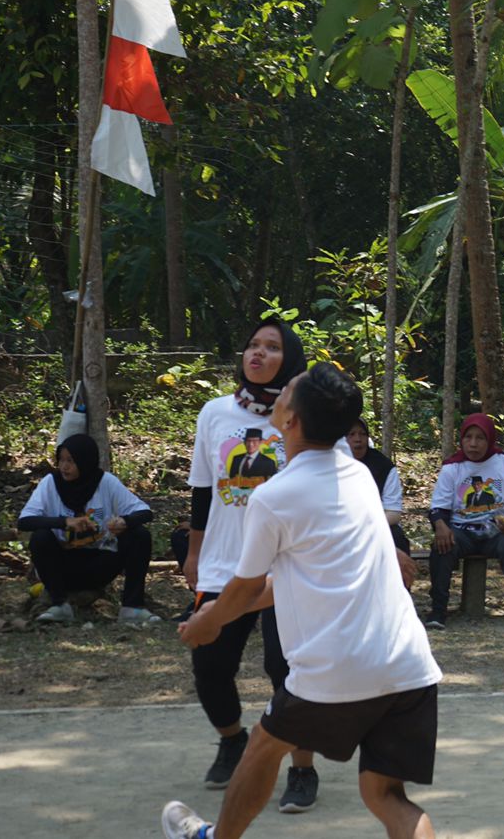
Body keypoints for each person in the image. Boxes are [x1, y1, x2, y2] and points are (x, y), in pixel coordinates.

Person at [162, 364, 442, 839]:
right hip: (407, 665)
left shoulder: (275, 496)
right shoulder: (358, 476)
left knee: (262, 747)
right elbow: (290, 583)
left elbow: (246, 587)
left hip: (336, 668)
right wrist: (214, 613)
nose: (280, 390)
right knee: (385, 795)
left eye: (288, 389)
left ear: (290, 420)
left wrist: (210, 621)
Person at [183, 319, 320, 809]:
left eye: (272, 347)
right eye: (253, 345)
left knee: (287, 669)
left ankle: (302, 768)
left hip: (289, 566)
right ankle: (232, 739)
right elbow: (204, 490)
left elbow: (332, 486)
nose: (258, 353)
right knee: (209, 663)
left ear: (292, 359)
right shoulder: (215, 413)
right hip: (225, 563)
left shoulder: (309, 415)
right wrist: (194, 552)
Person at [18, 434, 158, 625]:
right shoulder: (50, 483)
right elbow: (25, 521)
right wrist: (64, 522)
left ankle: (132, 607)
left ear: (85, 461)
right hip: (62, 566)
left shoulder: (105, 482)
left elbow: (145, 512)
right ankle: (59, 605)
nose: (64, 467)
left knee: (139, 535)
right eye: (61, 460)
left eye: (71, 461)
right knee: (40, 537)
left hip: (100, 564)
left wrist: (124, 521)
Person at [426, 413, 504, 630]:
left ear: (489, 439)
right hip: (461, 531)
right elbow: (438, 507)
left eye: (480, 438)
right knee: (442, 544)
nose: (473, 444)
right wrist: (440, 526)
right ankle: (438, 610)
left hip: (496, 531)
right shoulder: (453, 467)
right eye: (468, 437)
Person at [346, 418, 410, 555]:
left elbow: (393, 513)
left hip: (378, 524)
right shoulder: (334, 465)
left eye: (362, 434)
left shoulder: (384, 467)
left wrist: (368, 527)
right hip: (344, 526)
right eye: (352, 434)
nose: (358, 439)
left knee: (397, 538)